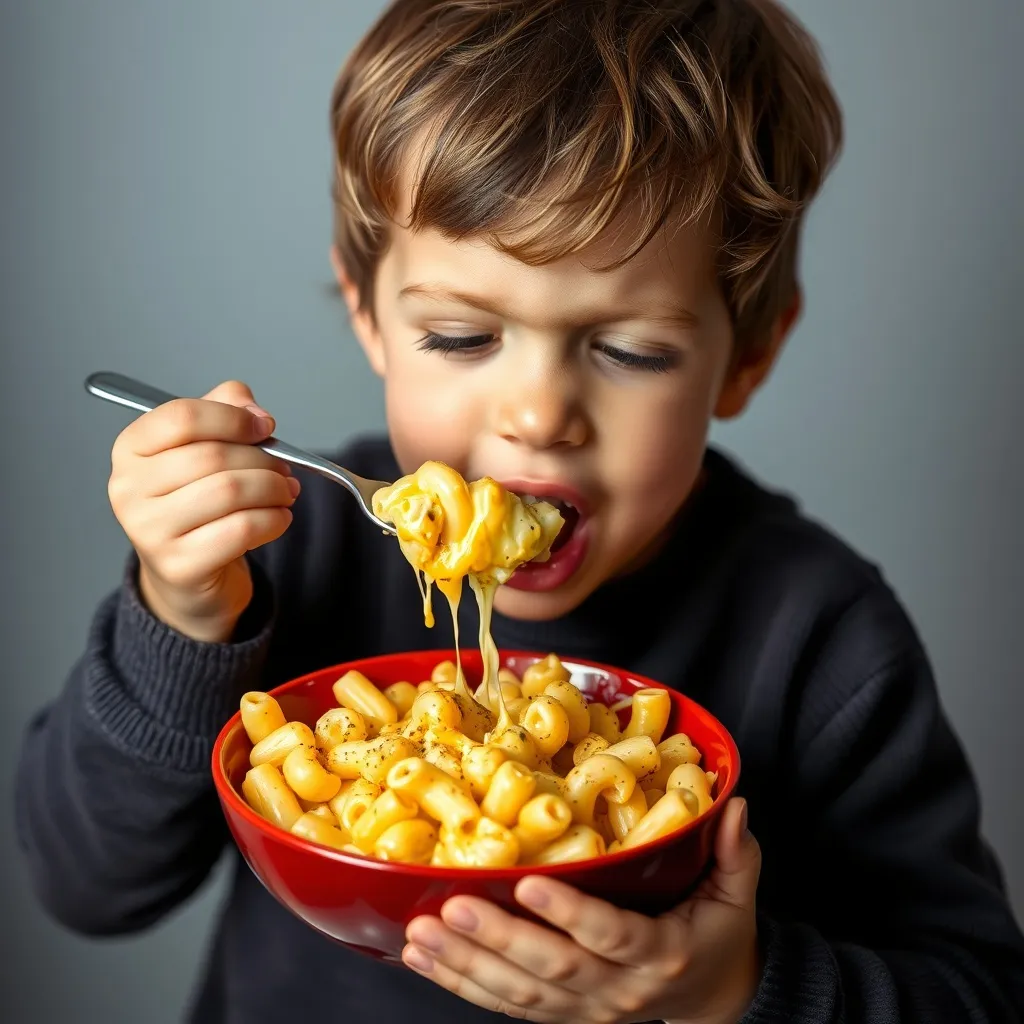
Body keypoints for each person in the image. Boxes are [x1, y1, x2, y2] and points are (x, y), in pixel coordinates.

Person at [14, 1, 1024, 1021]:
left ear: (747, 355)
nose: (538, 416)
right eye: (460, 336)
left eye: (630, 350)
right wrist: (183, 622)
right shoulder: (286, 546)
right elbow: (87, 883)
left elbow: (975, 995)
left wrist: (733, 987)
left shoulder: (818, 638)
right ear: (368, 313)